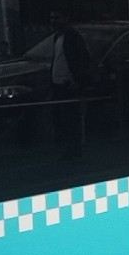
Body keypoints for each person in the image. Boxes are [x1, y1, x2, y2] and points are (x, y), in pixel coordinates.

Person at [49, 11, 91, 159]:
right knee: (64, 118)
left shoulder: (72, 36)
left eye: (57, 17)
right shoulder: (57, 37)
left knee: (71, 118)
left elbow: (81, 58)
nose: (53, 21)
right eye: (52, 18)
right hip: (58, 82)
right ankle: (70, 148)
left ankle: (74, 149)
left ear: (66, 18)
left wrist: (76, 80)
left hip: (68, 84)